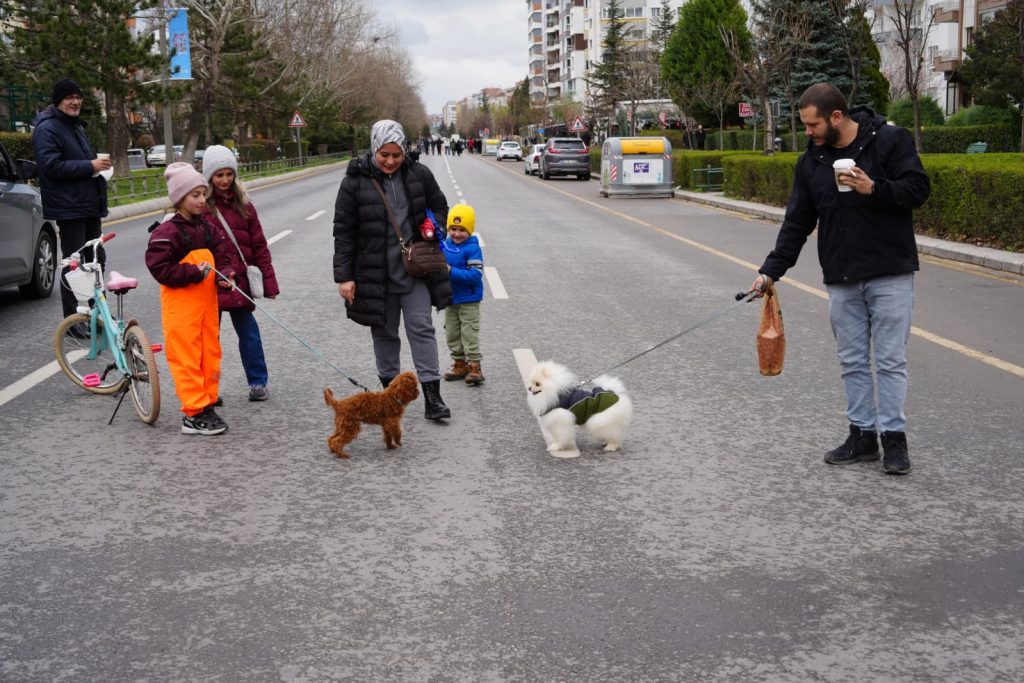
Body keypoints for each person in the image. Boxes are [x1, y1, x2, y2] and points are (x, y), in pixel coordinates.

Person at [749, 82, 930, 475]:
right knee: (852, 361)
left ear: (836, 116)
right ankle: (862, 436)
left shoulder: (890, 141)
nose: (808, 133)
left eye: (813, 125)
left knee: (890, 360)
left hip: (889, 271)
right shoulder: (811, 162)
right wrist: (770, 271)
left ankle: (894, 440)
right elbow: (797, 222)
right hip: (842, 276)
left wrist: (873, 188)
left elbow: (918, 189)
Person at [333, 119, 453, 420]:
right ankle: (390, 398)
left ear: (404, 151)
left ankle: (432, 398)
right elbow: (343, 232)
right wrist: (345, 276)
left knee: (421, 329)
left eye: (396, 155)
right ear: (374, 149)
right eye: (384, 154)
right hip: (374, 273)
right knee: (384, 334)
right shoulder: (354, 182)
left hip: (415, 269)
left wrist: (433, 224)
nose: (390, 161)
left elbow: (441, 206)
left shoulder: (419, 174)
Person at [146, 163, 238, 436]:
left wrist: (226, 274)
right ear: (179, 199)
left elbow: (223, 253)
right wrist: (193, 272)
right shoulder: (166, 233)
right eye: (194, 195)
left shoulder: (207, 227)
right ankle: (193, 412)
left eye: (202, 194)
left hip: (207, 307)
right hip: (182, 309)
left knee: (210, 353)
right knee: (186, 357)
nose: (201, 200)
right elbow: (160, 268)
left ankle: (207, 400)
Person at [202, 144, 280, 403]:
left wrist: (269, 283)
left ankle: (258, 382)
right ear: (209, 177)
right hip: (211, 283)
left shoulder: (245, 206)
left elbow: (259, 245)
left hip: (240, 282)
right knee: (208, 340)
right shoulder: (201, 208)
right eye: (218, 175)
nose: (224, 180)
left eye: (229, 174)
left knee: (249, 334)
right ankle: (208, 390)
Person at [31, 78, 112, 320]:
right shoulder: (47, 128)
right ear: (58, 101)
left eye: (78, 97)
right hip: (70, 208)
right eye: (69, 98)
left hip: (88, 205)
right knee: (74, 266)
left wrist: (99, 169)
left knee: (95, 261)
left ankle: (95, 314)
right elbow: (51, 166)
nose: (75, 102)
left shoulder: (75, 126)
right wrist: (90, 166)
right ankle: (74, 319)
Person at [441, 203, 485, 385]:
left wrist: (451, 271)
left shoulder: (472, 248)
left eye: (462, 230)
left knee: (469, 332)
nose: (457, 234)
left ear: (470, 230)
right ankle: (459, 364)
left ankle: (475, 366)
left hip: (469, 299)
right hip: (450, 299)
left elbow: (475, 275)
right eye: (453, 229)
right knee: (452, 332)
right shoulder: (444, 245)